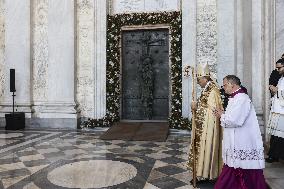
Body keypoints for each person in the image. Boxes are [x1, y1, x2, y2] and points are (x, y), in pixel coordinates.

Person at [213, 75, 267, 189]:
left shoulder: (242, 98)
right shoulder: (236, 98)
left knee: (242, 169)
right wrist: (223, 114)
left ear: (232, 84)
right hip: (236, 140)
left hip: (242, 140)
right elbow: (233, 116)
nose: (224, 88)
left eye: (225, 85)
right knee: (233, 166)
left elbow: (235, 120)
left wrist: (221, 115)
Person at [187, 63, 223, 182]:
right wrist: (196, 107)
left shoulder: (212, 90)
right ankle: (204, 174)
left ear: (204, 78)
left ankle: (208, 174)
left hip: (208, 127)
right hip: (203, 126)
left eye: (198, 80)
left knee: (207, 150)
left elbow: (212, 111)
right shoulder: (207, 88)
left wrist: (196, 106)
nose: (197, 82)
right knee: (202, 150)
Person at [266, 58, 284, 163]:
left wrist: (276, 90)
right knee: (276, 135)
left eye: (279, 68)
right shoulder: (281, 78)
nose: (277, 70)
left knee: (280, 136)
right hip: (277, 110)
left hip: (282, 112)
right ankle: (275, 155)